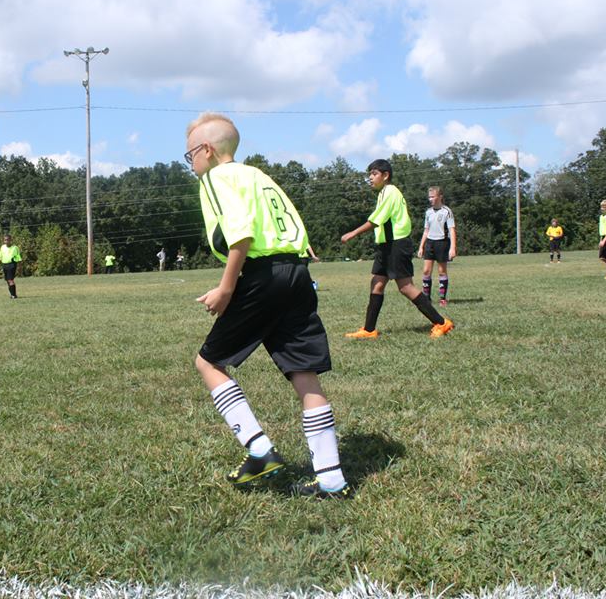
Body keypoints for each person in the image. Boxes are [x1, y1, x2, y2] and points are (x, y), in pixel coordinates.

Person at [186, 112, 349, 499]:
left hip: (264, 276)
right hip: (297, 273)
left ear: (207, 150)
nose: (190, 163)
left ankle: (259, 450)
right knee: (303, 371)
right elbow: (292, 226)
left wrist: (227, 288)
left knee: (208, 362)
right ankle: (331, 478)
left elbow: (240, 234)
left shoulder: (216, 178)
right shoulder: (259, 176)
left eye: (190, 154)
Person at [341, 159, 453, 339]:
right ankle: (369, 330)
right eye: (369, 174)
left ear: (386, 175)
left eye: (374, 174)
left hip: (396, 245)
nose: (370, 178)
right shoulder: (383, 193)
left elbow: (376, 220)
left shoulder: (390, 192)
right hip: (386, 246)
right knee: (377, 284)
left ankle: (441, 323)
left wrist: (352, 233)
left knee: (406, 287)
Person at [416, 186, 457, 306]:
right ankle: (426, 299)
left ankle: (442, 299)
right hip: (430, 243)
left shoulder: (446, 211)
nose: (430, 199)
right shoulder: (428, 212)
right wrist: (421, 246)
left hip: (442, 243)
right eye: (429, 197)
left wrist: (453, 247)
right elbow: (426, 230)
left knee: (441, 271)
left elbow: (452, 230)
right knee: (426, 271)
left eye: (433, 197)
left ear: (440, 197)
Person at [0, 235, 22, 299]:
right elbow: (0, 256)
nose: (6, 241)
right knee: (7, 280)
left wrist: (20, 266)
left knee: (10, 280)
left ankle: (13, 295)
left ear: (11, 240)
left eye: (8, 240)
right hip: (4, 265)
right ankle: (13, 294)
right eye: (5, 240)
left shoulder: (15, 248)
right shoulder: (2, 247)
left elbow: (18, 257)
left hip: (12, 264)